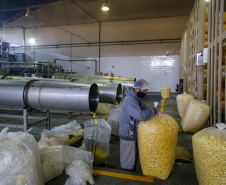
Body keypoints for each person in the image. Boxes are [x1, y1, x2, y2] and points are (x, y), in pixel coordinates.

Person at [118, 79, 157, 171]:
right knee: (127, 161)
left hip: (133, 132)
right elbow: (141, 115)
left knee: (133, 157)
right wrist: (153, 111)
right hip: (128, 133)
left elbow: (145, 110)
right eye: (144, 91)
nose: (145, 93)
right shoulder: (129, 100)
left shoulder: (136, 98)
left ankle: (131, 170)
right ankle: (126, 177)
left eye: (146, 91)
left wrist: (152, 112)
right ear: (137, 89)